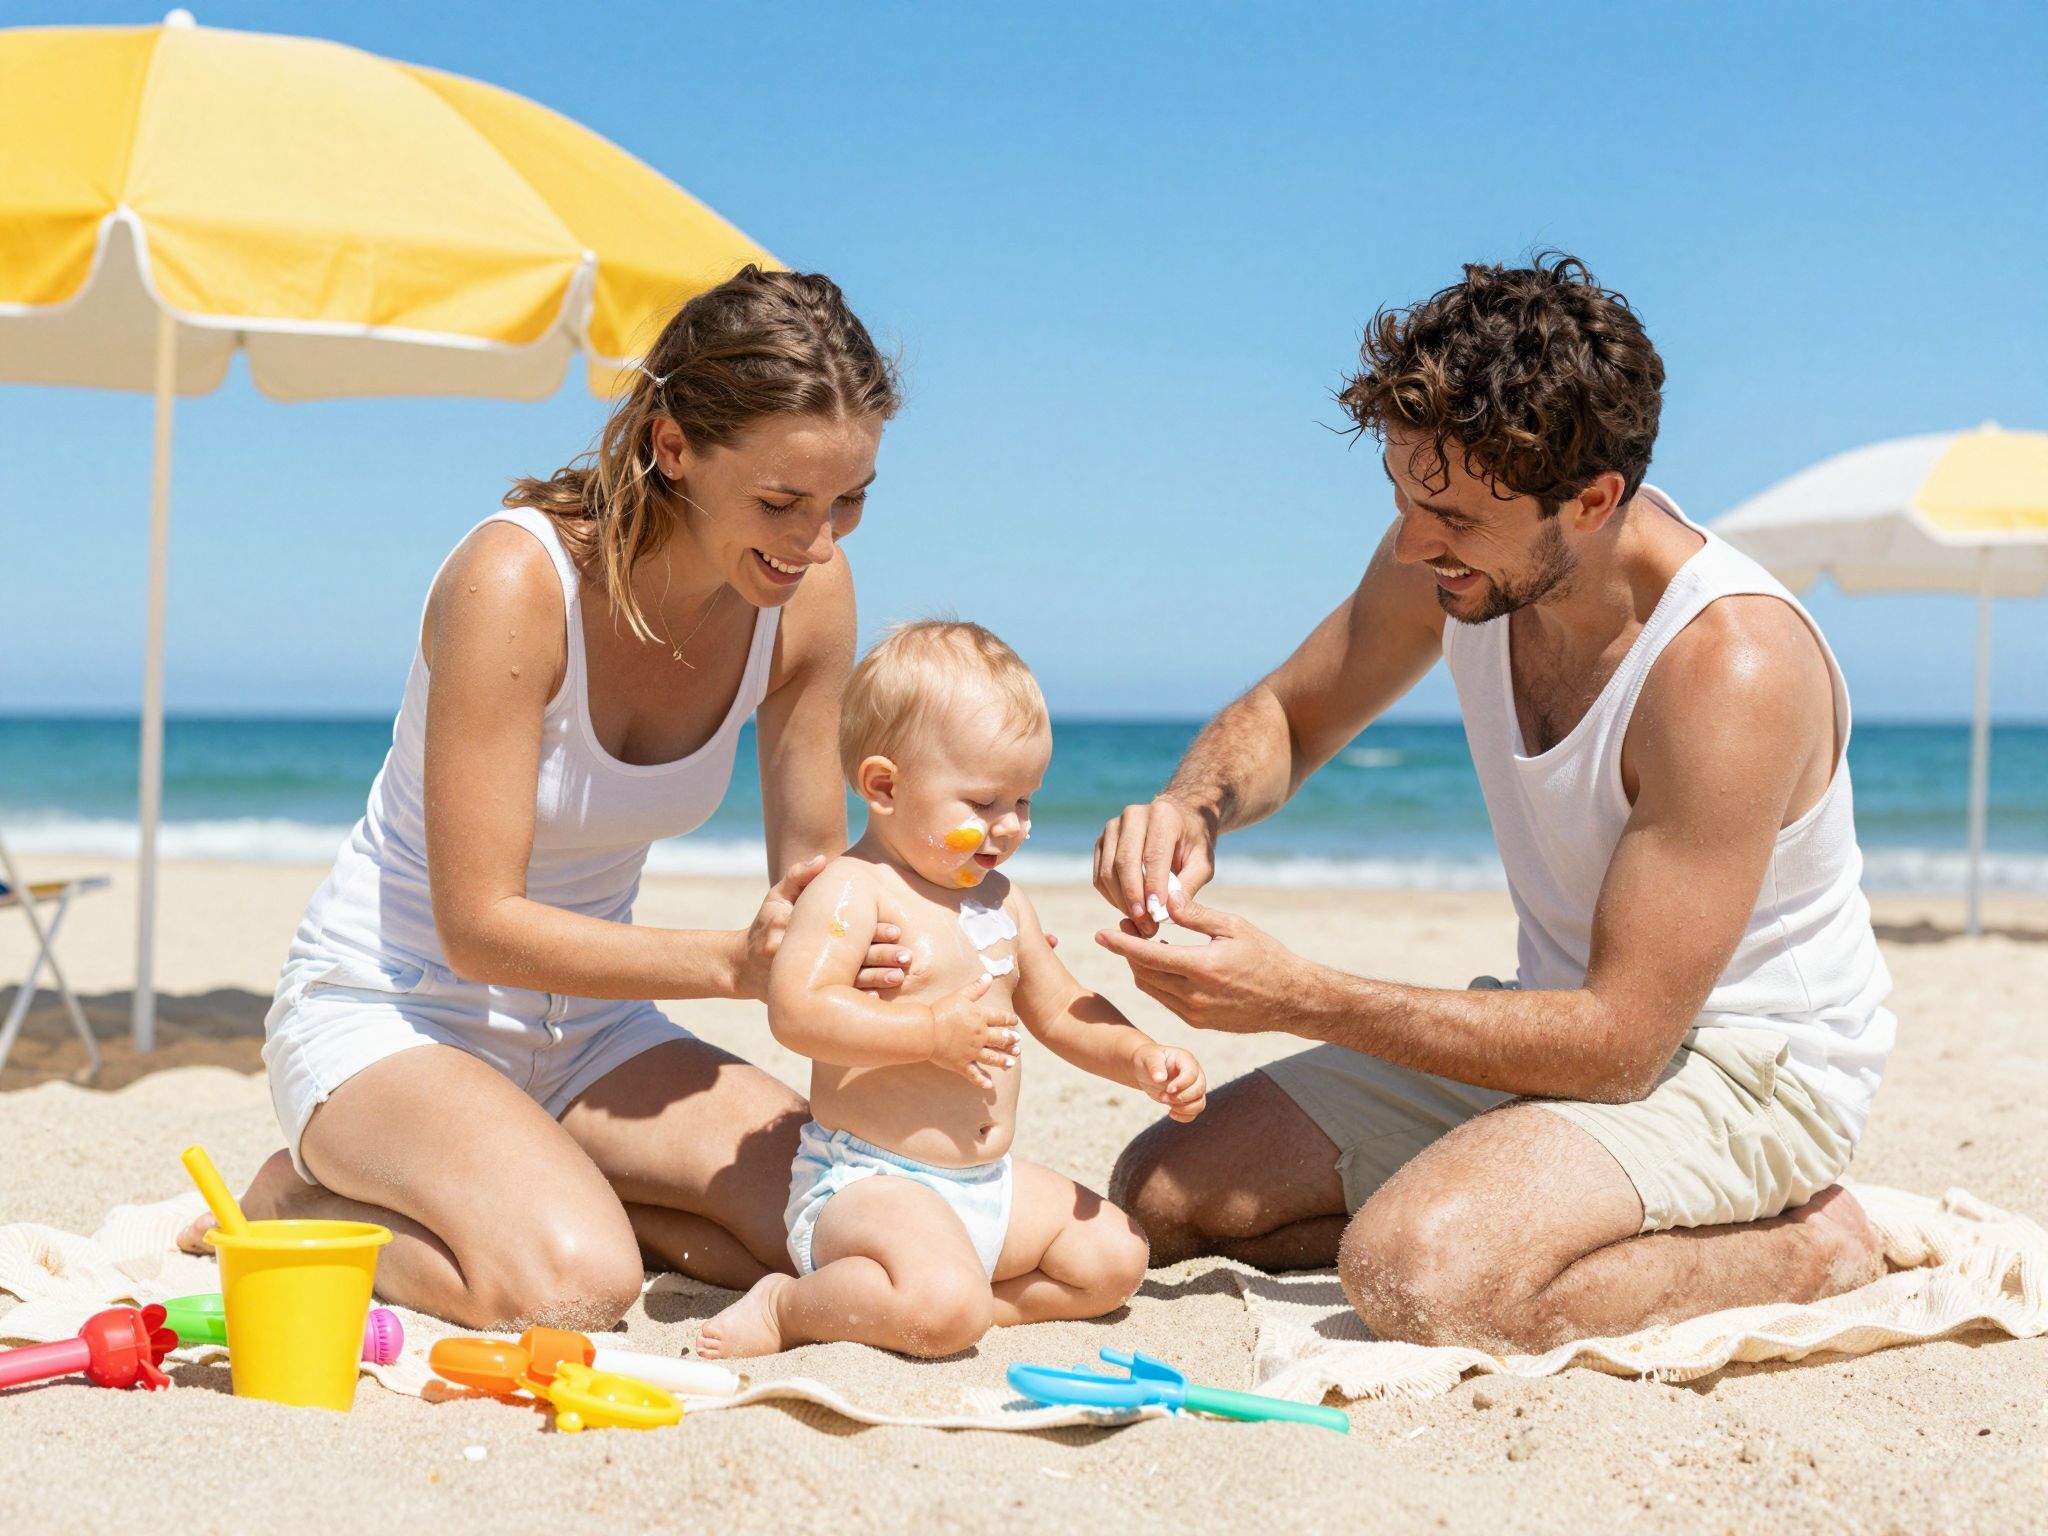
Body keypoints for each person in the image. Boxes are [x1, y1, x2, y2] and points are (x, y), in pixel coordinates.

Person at [1094, 255, 1894, 1353]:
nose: (1416, 542)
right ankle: (1526, 1195)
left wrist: (1300, 995)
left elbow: (1622, 1042)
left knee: (1419, 1277)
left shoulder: (1729, 666)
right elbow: (1291, 712)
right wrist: (1192, 806)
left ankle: (1812, 1247)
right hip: (1557, 1029)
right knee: (1162, 1194)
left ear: (1592, 500)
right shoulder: (1454, 561)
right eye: (1402, 498)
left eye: (1454, 517)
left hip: (1741, 1069)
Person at [178, 267, 921, 1330]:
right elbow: (478, 927)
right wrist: (731, 965)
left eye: (848, 499)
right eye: (781, 502)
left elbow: (814, 877)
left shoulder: (809, 599)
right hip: (396, 1014)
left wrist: (883, 965)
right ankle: (297, 1200)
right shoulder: (516, 582)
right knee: (577, 1288)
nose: (817, 541)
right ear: (673, 449)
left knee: (844, 1228)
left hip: (595, 1032)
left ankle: (534, 1179)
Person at [697, 621, 1205, 1359]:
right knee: (941, 1307)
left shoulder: (1002, 901)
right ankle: (787, 1308)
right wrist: (929, 1033)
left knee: (1116, 1257)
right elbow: (797, 1012)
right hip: (871, 1184)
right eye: (983, 803)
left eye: (1025, 804)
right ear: (884, 786)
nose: (1010, 827)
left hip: (984, 1184)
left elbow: (1061, 1008)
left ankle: (960, 1302)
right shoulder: (854, 890)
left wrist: (1139, 1055)